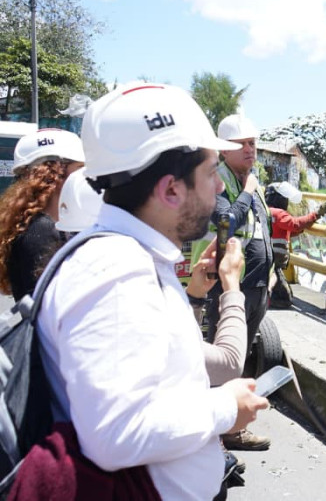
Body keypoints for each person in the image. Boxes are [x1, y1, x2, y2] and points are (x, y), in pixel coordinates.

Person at [33, 82, 268, 500]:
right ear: (171, 189)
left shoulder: (130, 257)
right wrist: (226, 408)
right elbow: (115, 435)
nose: (217, 188)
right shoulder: (116, 272)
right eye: (211, 172)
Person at [205, 112, 274, 451]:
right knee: (227, 357)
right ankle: (224, 431)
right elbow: (225, 226)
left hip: (256, 285)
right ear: (225, 150)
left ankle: (230, 426)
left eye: (253, 143)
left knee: (242, 355)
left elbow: (262, 228)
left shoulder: (250, 179)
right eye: (242, 144)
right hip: (229, 285)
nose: (250, 150)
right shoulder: (220, 181)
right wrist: (247, 193)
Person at [0, 129, 84, 301]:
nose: (86, 176)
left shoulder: (39, 225)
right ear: (54, 171)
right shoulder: (41, 230)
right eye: (80, 168)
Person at [265, 181, 326, 310]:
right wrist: (317, 214)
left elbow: (285, 230)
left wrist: (302, 227)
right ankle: (265, 301)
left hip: (267, 258)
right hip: (274, 260)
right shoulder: (279, 214)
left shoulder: (267, 212)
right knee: (285, 299)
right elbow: (295, 224)